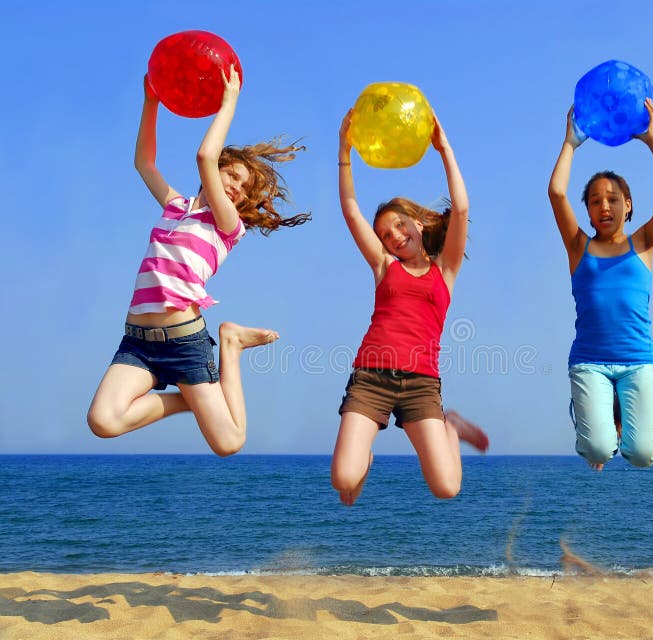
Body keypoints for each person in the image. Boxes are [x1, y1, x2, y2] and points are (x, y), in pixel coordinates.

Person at [87, 66, 309, 456]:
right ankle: (191, 402)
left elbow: (205, 154)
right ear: (217, 172)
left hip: (185, 342)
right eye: (232, 175)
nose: (235, 187)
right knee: (102, 422)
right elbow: (144, 163)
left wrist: (229, 102)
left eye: (242, 188)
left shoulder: (227, 226)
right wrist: (151, 101)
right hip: (137, 343)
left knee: (230, 442)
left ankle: (231, 342)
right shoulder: (176, 206)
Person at [332, 109, 489, 505]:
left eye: (401, 225)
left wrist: (444, 148)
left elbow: (463, 209)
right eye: (385, 234)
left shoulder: (445, 271)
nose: (395, 236)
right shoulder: (384, 266)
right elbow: (351, 211)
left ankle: (449, 425)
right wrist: (344, 152)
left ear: (418, 224)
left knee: (447, 489)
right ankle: (361, 459)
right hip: (371, 378)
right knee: (343, 479)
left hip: (422, 384)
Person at [547, 98, 653, 471]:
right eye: (595, 201)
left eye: (612, 199)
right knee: (597, 451)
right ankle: (602, 414)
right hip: (589, 362)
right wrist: (570, 143)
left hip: (637, 361)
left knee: (642, 456)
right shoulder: (579, 247)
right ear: (589, 211)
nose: (604, 206)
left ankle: (637, 410)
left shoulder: (643, 243)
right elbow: (557, 193)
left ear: (628, 205)